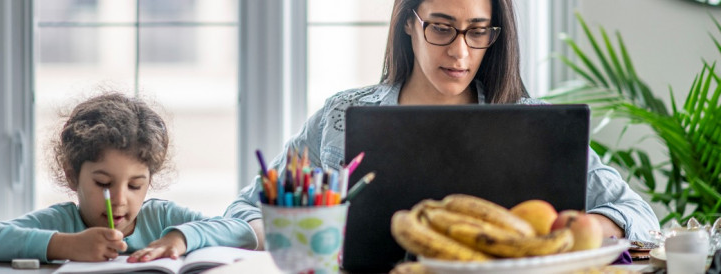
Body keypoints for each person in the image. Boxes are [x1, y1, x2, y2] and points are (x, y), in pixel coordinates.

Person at [225, 0, 660, 250]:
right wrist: (291, 229)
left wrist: (572, 234)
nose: (460, 52)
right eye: (442, 28)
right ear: (408, 24)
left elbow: (639, 215)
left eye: (477, 32)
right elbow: (246, 209)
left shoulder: (535, 122)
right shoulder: (340, 115)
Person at [0, 93, 256, 262]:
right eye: (103, 183)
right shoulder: (61, 223)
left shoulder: (163, 219)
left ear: (149, 181)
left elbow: (243, 231)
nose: (119, 199)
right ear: (72, 176)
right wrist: (66, 245)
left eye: (135, 185)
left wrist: (181, 237)